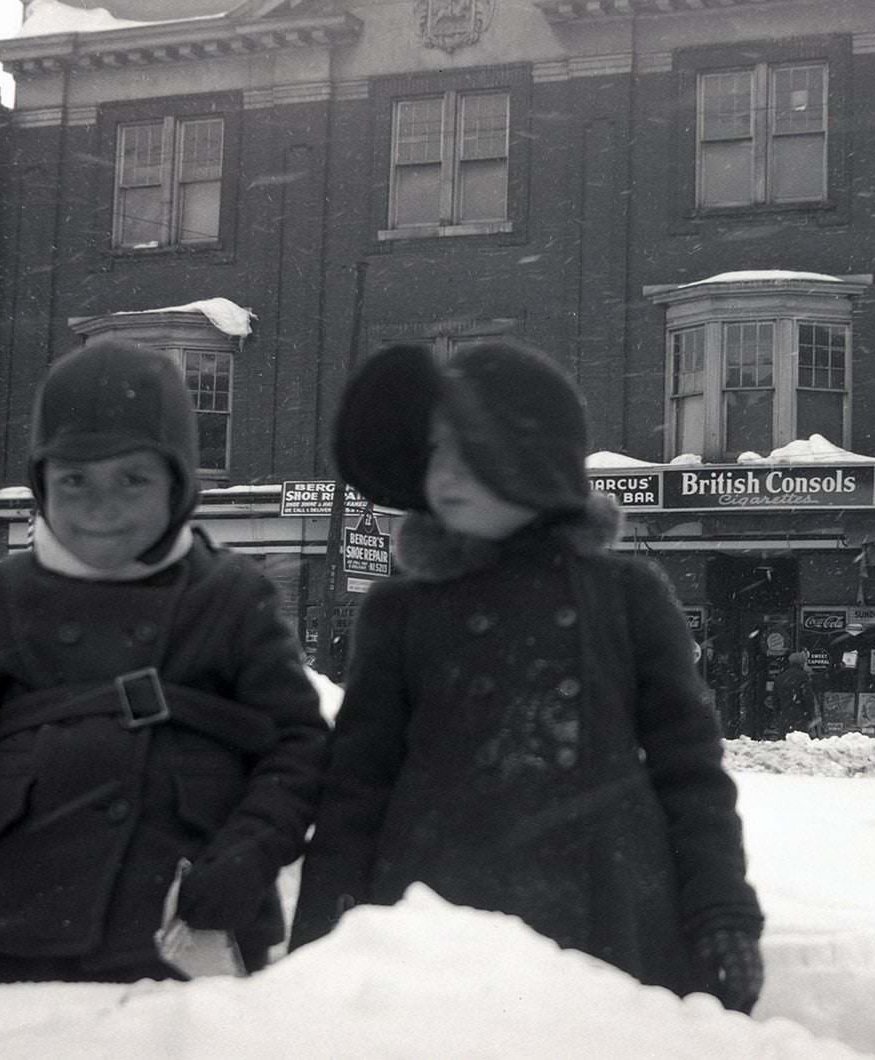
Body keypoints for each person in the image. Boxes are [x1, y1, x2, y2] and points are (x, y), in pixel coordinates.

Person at [290, 341, 765, 1014]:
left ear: (535, 459)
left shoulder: (627, 596)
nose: (445, 474)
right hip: (432, 925)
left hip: (611, 926)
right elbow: (356, 787)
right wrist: (325, 934)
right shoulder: (400, 610)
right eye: (434, 452)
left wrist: (722, 915)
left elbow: (690, 777)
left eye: (469, 451)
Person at [0, 336, 328, 985]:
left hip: (185, 927)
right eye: (74, 479)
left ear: (179, 485)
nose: (100, 505)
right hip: (19, 934)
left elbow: (298, 749)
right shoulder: (0, 598)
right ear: (41, 484)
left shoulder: (231, 599)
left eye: (132, 478)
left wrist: (249, 856)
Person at [771, 650, 822, 738]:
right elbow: (807, 697)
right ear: (802, 663)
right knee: (799, 741)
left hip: (784, 715)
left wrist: (778, 714)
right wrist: (811, 714)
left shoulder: (780, 677)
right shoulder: (803, 676)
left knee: (785, 741)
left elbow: (775, 699)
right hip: (800, 715)